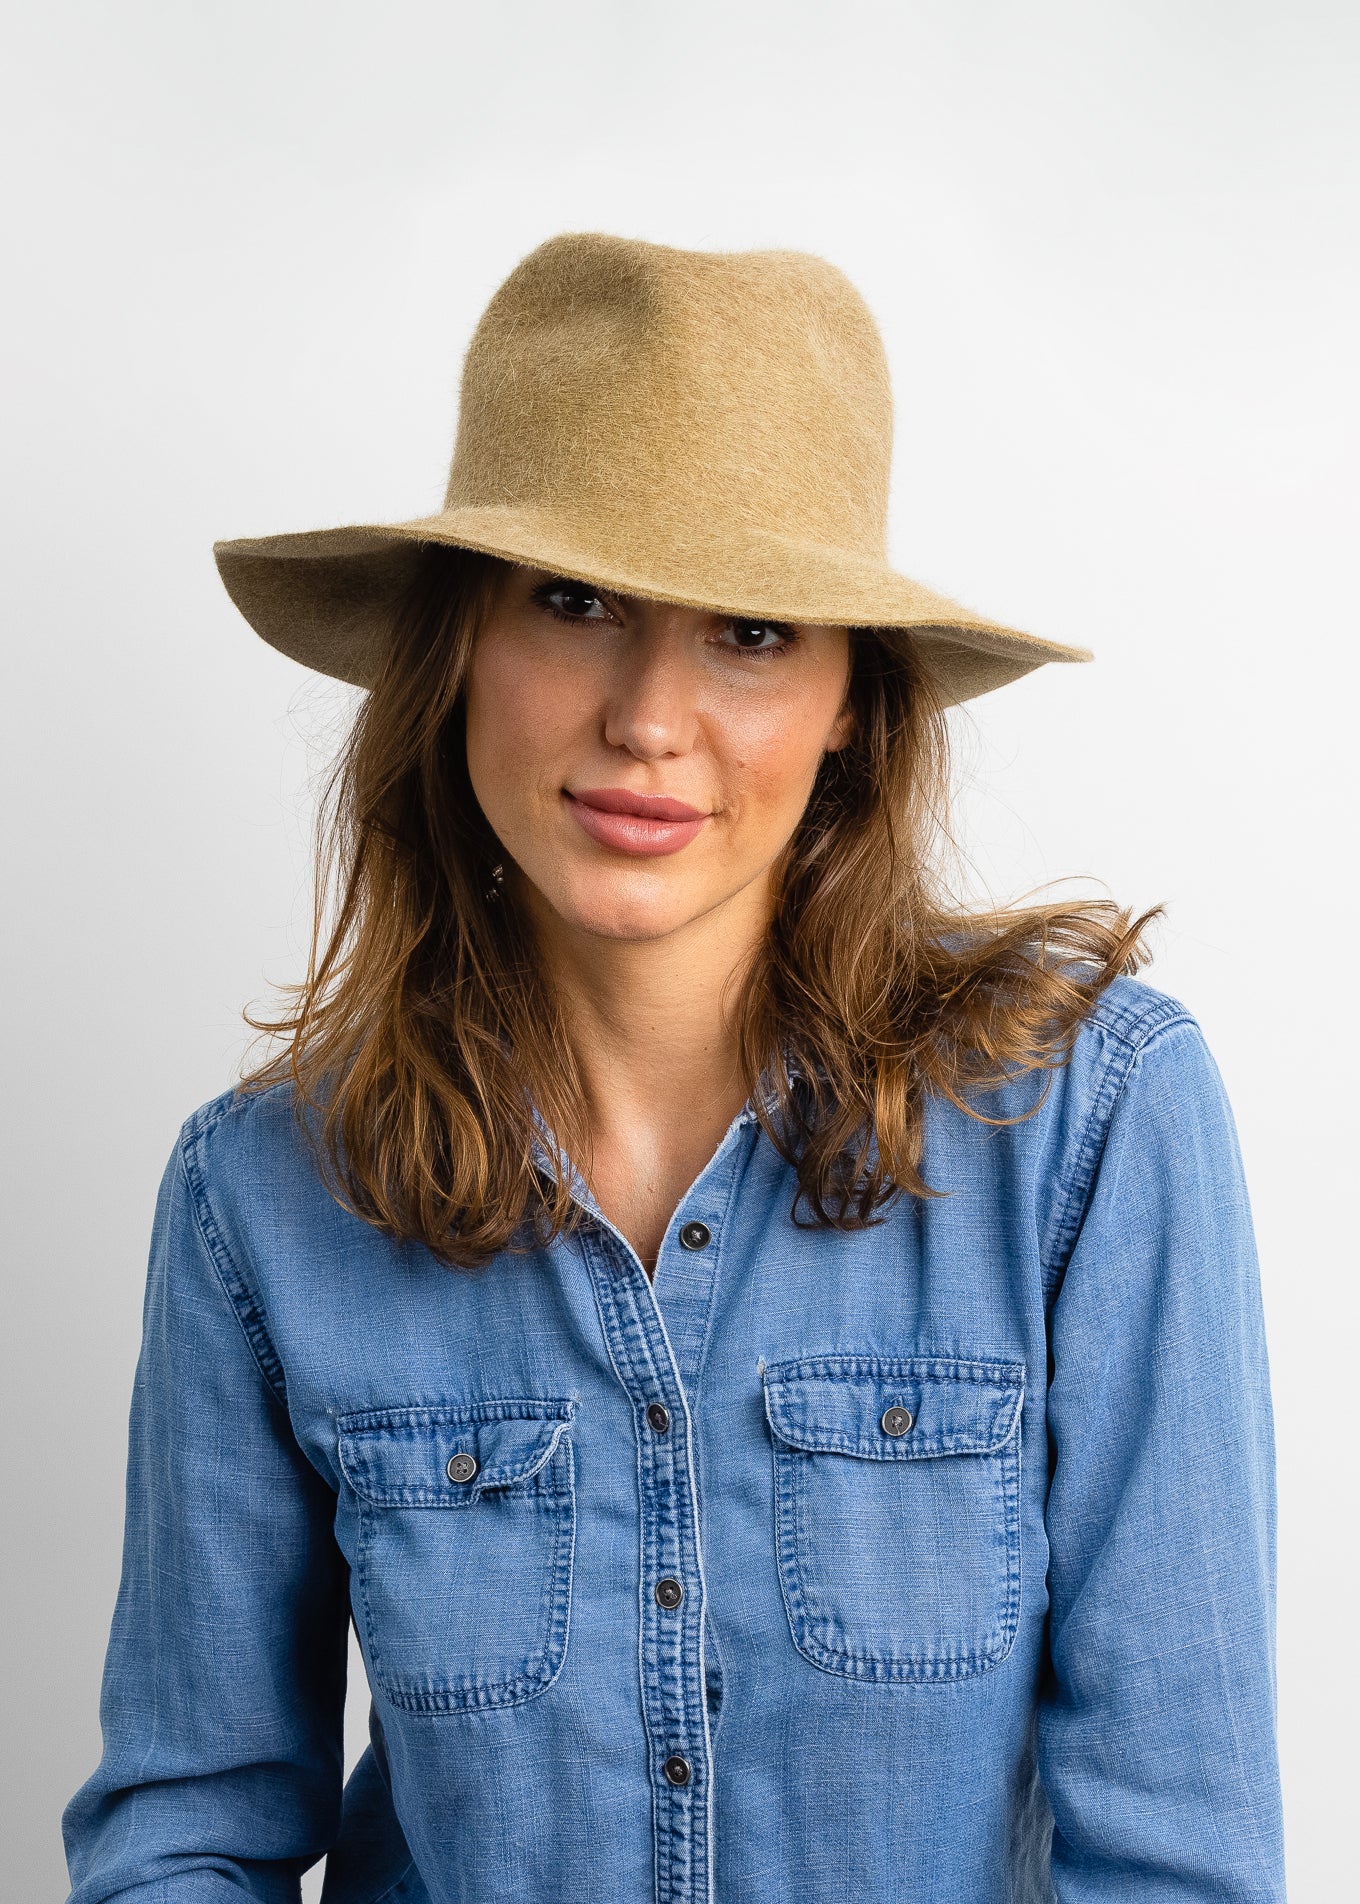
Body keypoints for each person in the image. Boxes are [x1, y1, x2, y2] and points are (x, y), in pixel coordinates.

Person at [62, 233, 1285, 1904]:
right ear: (459, 649)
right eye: (576, 603)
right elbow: (187, 1834)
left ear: (857, 697)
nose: (649, 715)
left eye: (754, 632)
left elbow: (1179, 1862)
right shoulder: (261, 1196)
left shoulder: (1090, 1122)